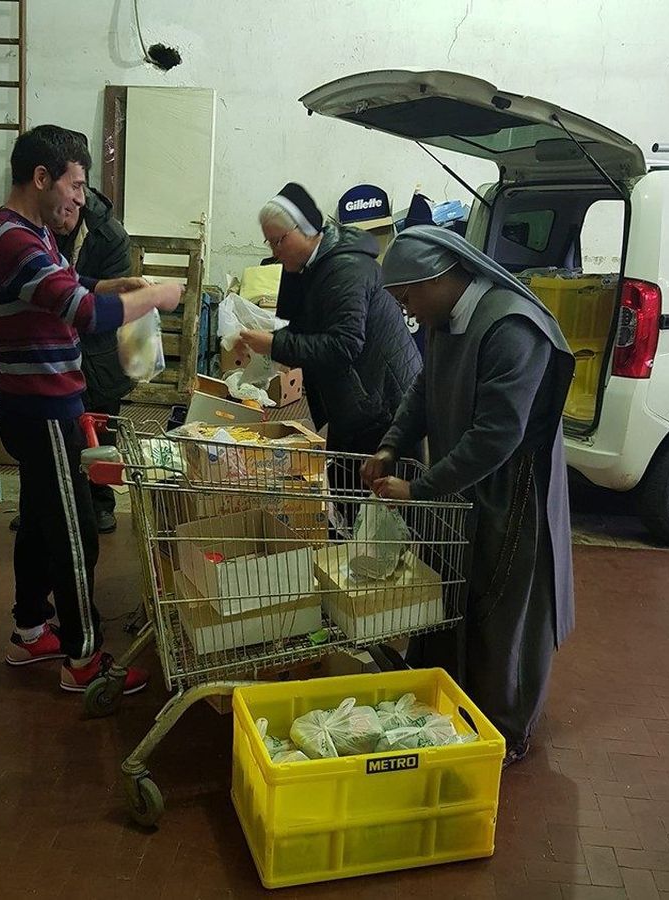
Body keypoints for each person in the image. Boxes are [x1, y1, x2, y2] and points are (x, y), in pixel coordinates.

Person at [0, 125, 180, 692]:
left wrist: (116, 282)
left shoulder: (21, 233)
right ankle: (83, 659)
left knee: (40, 523)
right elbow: (82, 312)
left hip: (35, 404)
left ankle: (30, 629)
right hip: (44, 411)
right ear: (41, 178)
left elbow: (68, 285)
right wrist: (156, 296)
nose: (81, 199)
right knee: (73, 532)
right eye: (77, 185)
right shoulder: (13, 238)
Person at [359, 225, 575, 766]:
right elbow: (424, 390)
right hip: (462, 487)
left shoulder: (511, 328)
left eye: (408, 296)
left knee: (501, 609)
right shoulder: (443, 319)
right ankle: (452, 701)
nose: (406, 310)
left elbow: (498, 435)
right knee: (454, 594)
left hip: (511, 494)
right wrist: (390, 446)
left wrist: (422, 487)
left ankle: (505, 730)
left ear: (439, 277)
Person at [240, 183, 419, 516]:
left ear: (308, 231)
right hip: (356, 399)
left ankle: (366, 562)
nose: (275, 251)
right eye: (270, 242)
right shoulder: (312, 266)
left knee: (378, 504)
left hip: (382, 404)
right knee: (344, 490)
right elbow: (307, 327)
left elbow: (343, 345)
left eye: (280, 240)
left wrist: (276, 344)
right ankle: (347, 560)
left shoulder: (345, 269)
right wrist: (264, 340)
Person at [10, 181, 133, 535]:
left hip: (98, 350)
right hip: (49, 351)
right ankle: (40, 505)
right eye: (57, 212)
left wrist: (75, 299)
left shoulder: (109, 236)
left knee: (100, 429)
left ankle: (101, 504)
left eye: (68, 213)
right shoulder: (37, 225)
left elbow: (108, 303)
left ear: (80, 203)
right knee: (49, 436)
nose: (60, 221)